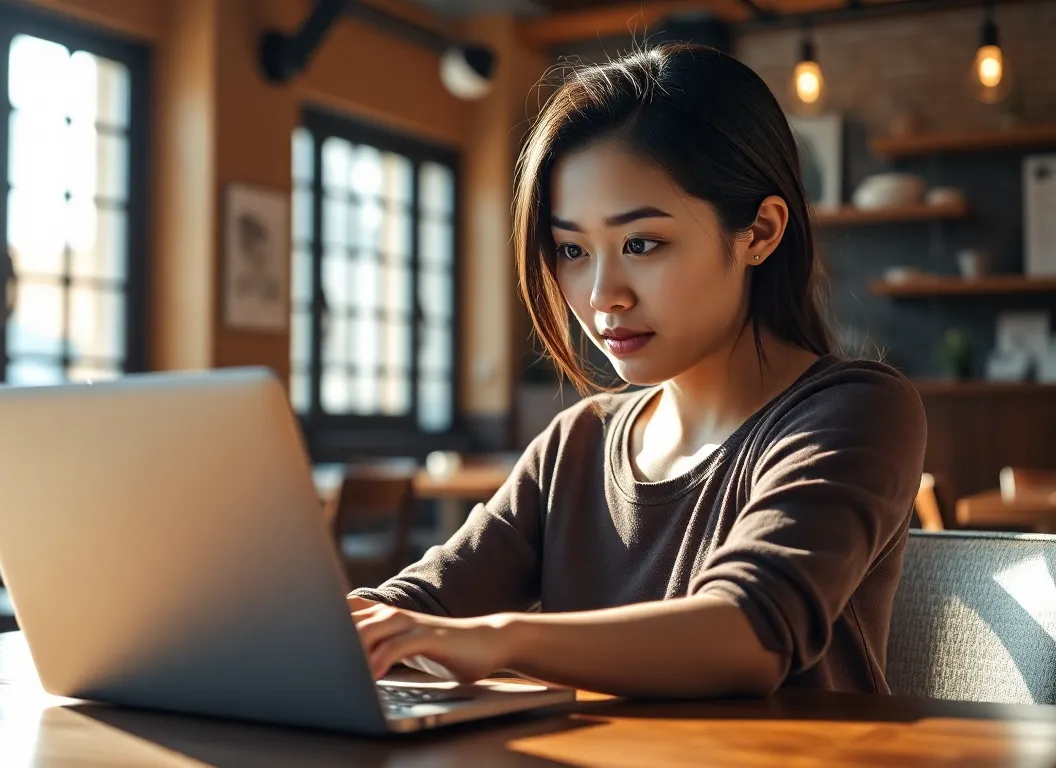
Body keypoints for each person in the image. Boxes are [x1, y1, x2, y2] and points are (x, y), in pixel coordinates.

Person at [348, 44, 926, 699]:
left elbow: (748, 635)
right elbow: (427, 599)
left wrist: (500, 638)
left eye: (641, 244)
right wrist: (333, 628)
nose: (602, 296)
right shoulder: (579, 441)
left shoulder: (855, 410)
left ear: (759, 232)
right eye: (571, 249)